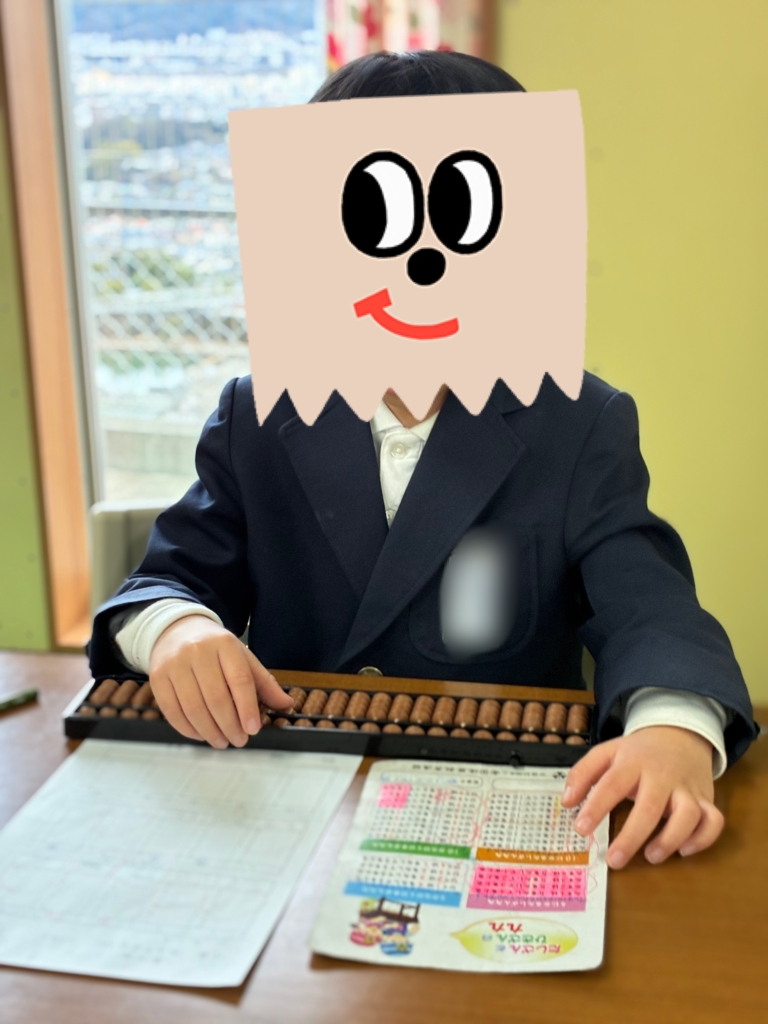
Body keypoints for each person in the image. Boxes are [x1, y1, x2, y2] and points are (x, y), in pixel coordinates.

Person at [88, 51, 757, 872]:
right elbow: (168, 578)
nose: (423, 264)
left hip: (499, 795)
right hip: (289, 792)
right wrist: (177, 630)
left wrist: (673, 727)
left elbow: (650, 607)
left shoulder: (580, 420)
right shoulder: (258, 411)